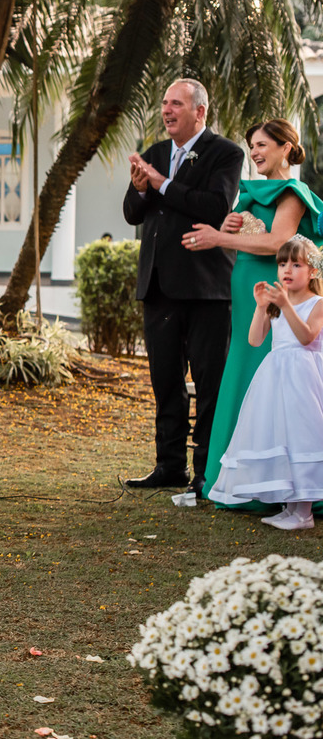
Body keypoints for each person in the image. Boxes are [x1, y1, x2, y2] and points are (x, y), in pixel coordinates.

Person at [180, 119, 323, 501]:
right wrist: (233, 224)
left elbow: (279, 241)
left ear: (286, 148)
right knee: (244, 365)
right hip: (246, 290)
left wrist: (218, 236)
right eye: (252, 146)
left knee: (269, 376)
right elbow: (248, 235)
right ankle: (235, 479)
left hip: (273, 288)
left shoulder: (291, 192)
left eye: (263, 145)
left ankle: (274, 488)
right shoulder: (250, 192)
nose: (255, 152)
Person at [122, 78, 244, 495]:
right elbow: (132, 213)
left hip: (207, 289)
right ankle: (168, 466)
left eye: (176, 103)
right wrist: (141, 189)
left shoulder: (226, 153)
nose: (167, 110)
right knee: (165, 383)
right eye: (164, 103)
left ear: (200, 111)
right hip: (158, 288)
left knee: (210, 383)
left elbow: (215, 206)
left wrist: (162, 185)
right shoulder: (155, 154)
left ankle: (206, 472)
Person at [211, 236, 323, 530]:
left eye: (296, 264)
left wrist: (285, 304)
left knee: (302, 436)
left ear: (312, 271)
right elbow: (255, 339)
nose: (287, 269)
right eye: (282, 263)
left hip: (304, 378)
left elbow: (307, 337)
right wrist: (261, 307)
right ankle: (289, 506)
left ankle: (304, 512)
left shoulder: (317, 303)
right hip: (275, 377)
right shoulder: (276, 304)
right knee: (281, 435)